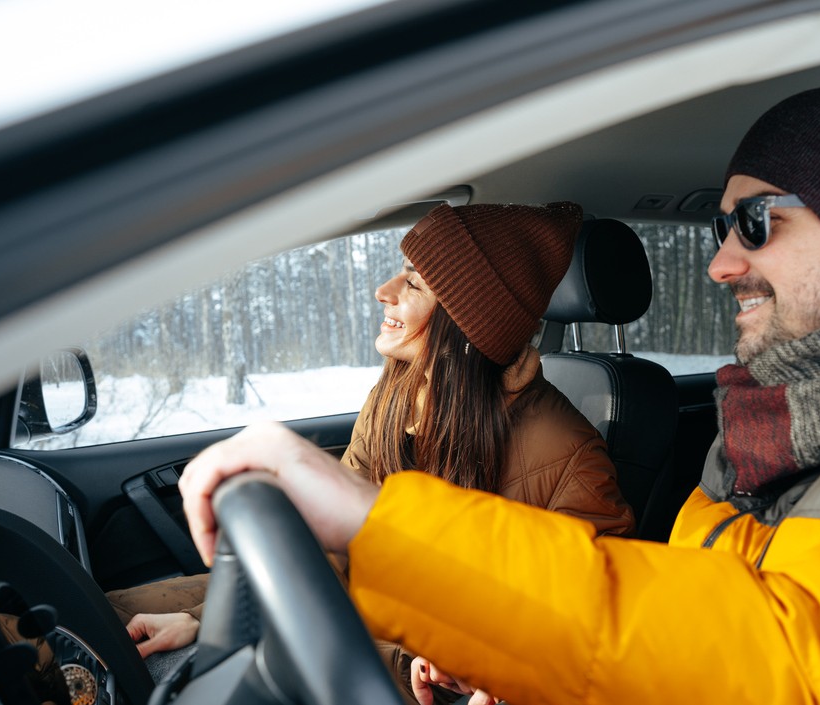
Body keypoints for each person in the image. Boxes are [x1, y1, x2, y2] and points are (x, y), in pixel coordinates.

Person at [178, 82, 820, 704]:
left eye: (757, 224)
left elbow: (813, 672)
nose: (719, 268)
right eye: (718, 229)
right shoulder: (769, 434)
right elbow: (691, 643)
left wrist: (372, 521)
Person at [108, 201, 635, 705]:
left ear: (467, 320)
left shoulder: (573, 456)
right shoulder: (395, 393)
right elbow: (331, 546)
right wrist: (208, 618)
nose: (383, 291)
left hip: (419, 671)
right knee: (102, 617)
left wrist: (469, 666)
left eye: (413, 283)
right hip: (348, 613)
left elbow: (589, 630)